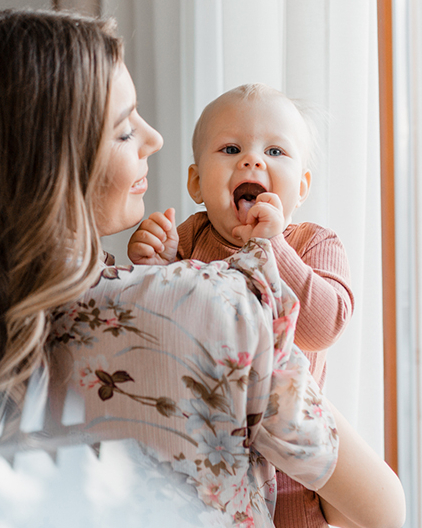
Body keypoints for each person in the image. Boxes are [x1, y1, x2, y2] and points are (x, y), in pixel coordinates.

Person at [0, 8, 403, 528]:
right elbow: (383, 508)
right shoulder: (220, 308)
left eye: (275, 150)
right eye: (123, 130)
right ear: (53, 166)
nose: (154, 137)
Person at [127, 84, 354, 526]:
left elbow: (323, 327)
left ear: (302, 187)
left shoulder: (311, 243)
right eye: (231, 148)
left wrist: (274, 249)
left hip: (287, 460)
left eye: (275, 151)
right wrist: (159, 266)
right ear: (196, 183)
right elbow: (161, 333)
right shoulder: (189, 239)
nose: (252, 160)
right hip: (202, 451)